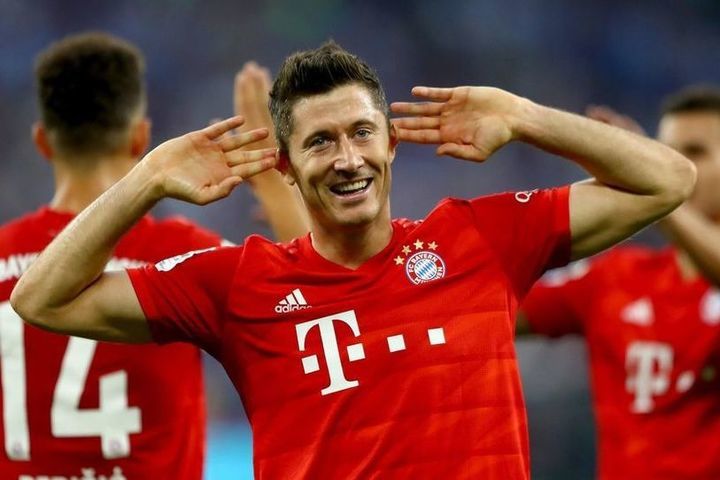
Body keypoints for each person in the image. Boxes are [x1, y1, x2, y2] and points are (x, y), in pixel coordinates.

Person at [11, 42, 695, 479]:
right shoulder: (238, 283)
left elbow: (667, 180)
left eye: (362, 133)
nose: (347, 159)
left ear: (391, 143)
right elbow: (40, 297)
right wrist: (150, 178)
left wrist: (523, 116)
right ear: (284, 166)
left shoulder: (479, 239)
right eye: (320, 142)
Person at [0, 32, 290, 479]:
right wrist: (274, 186)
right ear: (141, 138)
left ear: (42, 142)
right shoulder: (187, 253)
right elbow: (314, 296)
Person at [519, 86, 720, 479]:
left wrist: (657, 188)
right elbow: (492, 311)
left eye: (694, 153)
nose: (677, 165)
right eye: (665, 153)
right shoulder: (616, 277)